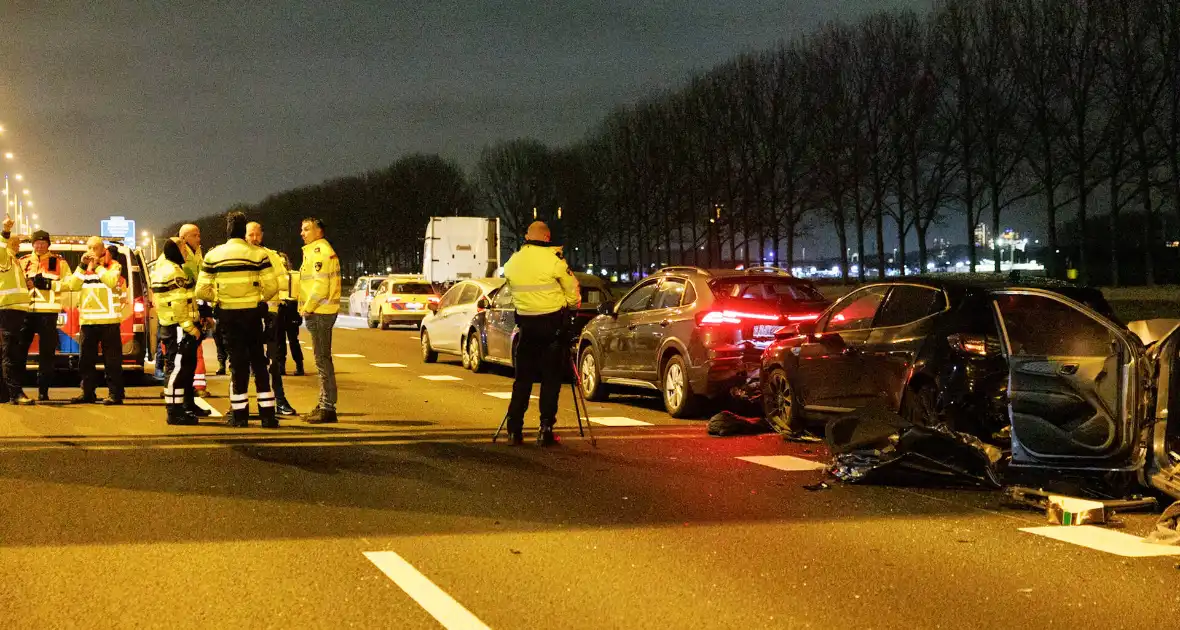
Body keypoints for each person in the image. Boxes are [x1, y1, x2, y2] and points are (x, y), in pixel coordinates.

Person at [195, 211, 278, 427]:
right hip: (252, 314)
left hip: (228, 315)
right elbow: (272, 287)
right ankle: (268, 415)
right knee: (259, 363)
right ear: (244, 231)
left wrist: (220, 299)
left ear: (228, 230)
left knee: (237, 365)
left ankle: (239, 415)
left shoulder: (213, 256)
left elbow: (201, 291)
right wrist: (258, 299)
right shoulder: (259, 255)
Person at [501, 221, 580, 445]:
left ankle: (514, 428)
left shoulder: (513, 262)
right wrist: (571, 307)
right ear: (547, 237)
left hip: (525, 327)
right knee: (550, 379)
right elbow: (573, 290)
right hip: (552, 326)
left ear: (527, 236)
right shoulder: (553, 260)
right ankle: (545, 428)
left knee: (523, 380)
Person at [62, 236, 125, 405]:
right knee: (86, 361)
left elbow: (111, 281)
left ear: (102, 249)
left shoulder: (113, 265)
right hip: (88, 322)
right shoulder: (84, 268)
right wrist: (82, 266)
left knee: (112, 361)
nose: (90, 251)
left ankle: (115, 394)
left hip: (109, 321)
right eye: (88, 248)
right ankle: (88, 393)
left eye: (94, 248)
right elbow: (73, 285)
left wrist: (97, 267)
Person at [150, 238, 205, 425]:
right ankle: (174, 412)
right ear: (174, 249)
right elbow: (179, 303)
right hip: (178, 327)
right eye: (182, 248)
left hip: (172, 325)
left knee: (178, 368)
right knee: (176, 370)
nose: (186, 252)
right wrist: (190, 327)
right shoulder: (173, 272)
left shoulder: (165, 268)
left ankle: (179, 408)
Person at [245, 221, 297, 416]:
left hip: (270, 316)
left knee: (274, 362)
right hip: (246, 315)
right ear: (244, 236)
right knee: (241, 363)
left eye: (258, 234)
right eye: (251, 234)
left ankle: (280, 401)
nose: (255, 238)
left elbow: (283, 282)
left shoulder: (272, 256)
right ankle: (238, 405)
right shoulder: (238, 256)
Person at [298, 217, 341, 424]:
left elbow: (320, 286)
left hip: (320, 311)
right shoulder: (318, 251)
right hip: (322, 310)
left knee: (322, 360)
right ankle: (324, 403)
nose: (302, 233)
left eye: (307, 229)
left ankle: (327, 408)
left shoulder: (319, 253)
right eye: (302, 229)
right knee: (322, 360)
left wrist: (307, 308)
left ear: (319, 232)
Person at [19, 229, 70, 401]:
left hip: (48, 313)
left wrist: (49, 284)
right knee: (19, 352)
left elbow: (70, 283)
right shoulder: (23, 261)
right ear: (32, 244)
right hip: (25, 312)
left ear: (48, 244)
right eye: (37, 243)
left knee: (47, 355)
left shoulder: (58, 262)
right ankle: (17, 390)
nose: (40, 246)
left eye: (43, 243)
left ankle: (43, 391)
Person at [0, 217, 33, 405]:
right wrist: (5, 230)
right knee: (11, 352)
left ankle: (4, 394)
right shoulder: (5, 256)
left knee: (5, 352)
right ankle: (15, 394)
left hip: (15, 310)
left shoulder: (14, 260)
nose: (20, 245)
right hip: (8, 309)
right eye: (18, 241)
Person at [178, 224, 212, 397]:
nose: (199, 238)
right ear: (184, 238)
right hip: (183, 311)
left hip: (194, 309)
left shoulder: (197, 254)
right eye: (195, 235)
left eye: (199, 235)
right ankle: (189, 387)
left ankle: (193, 387)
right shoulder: (184, 257)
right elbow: (194, 284)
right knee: (186, 352)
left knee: (192, 352)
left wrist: (205, 311)